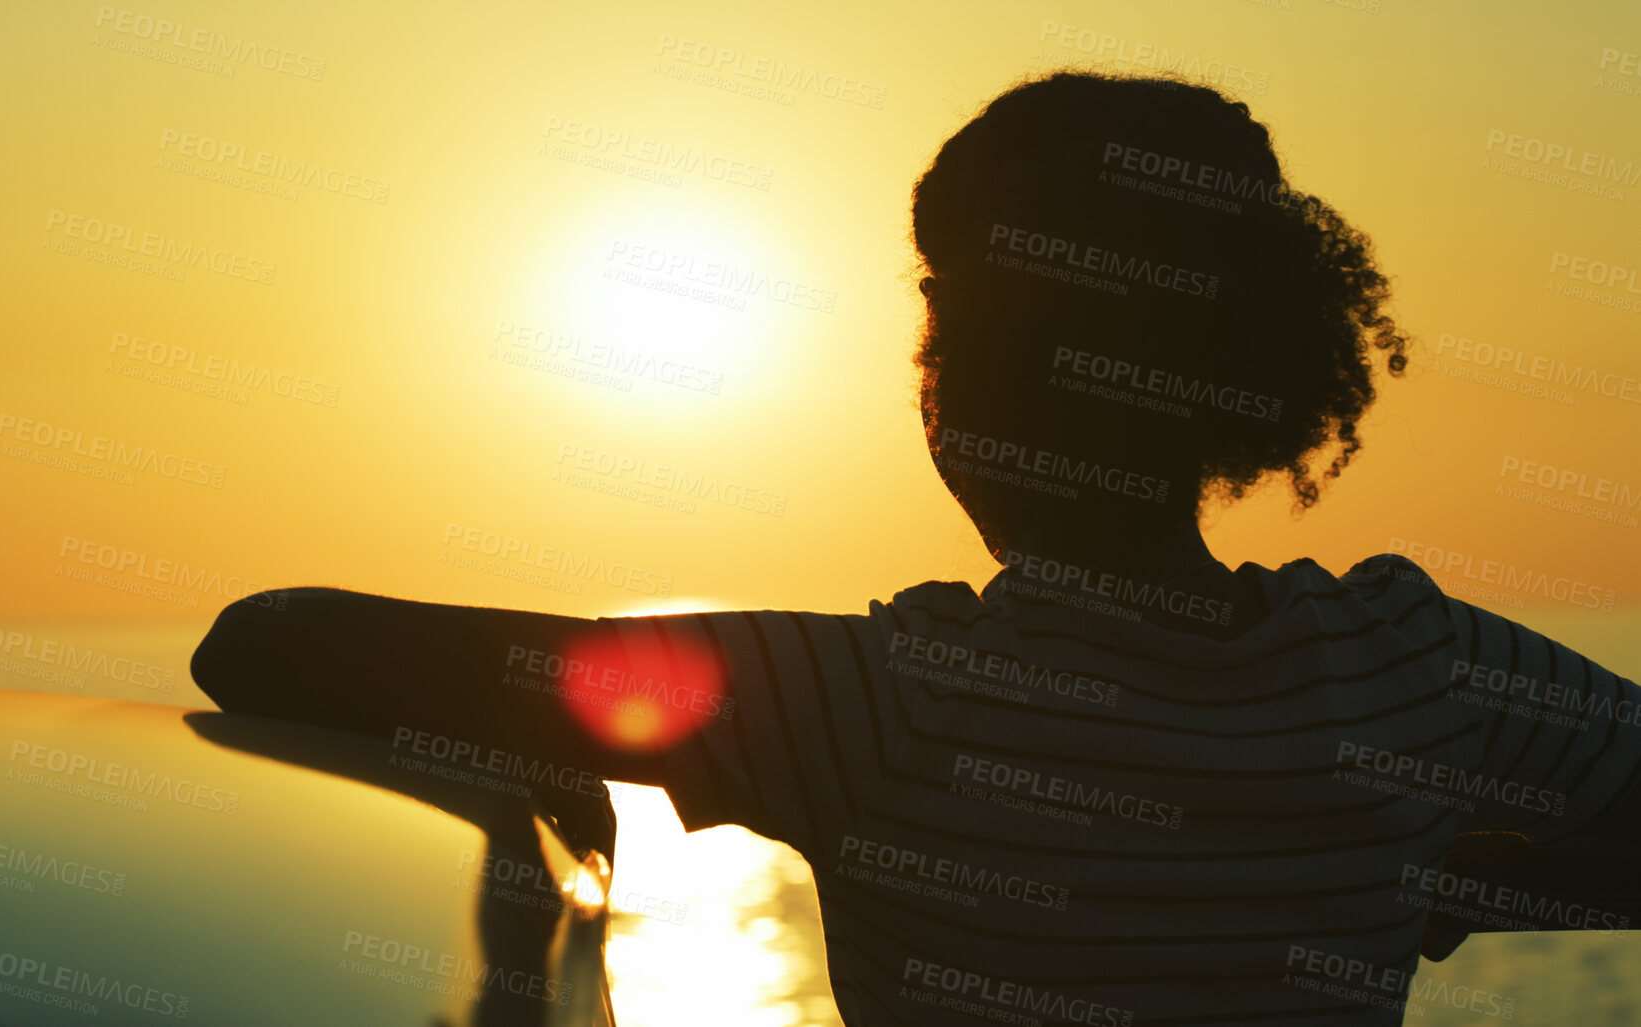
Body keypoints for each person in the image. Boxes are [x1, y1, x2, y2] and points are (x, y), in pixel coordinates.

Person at [190, 69, 1641, 1025]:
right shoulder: (1409, 668)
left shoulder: (881, 707)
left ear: (957, 391)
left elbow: (268, 641)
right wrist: (1457, 883)